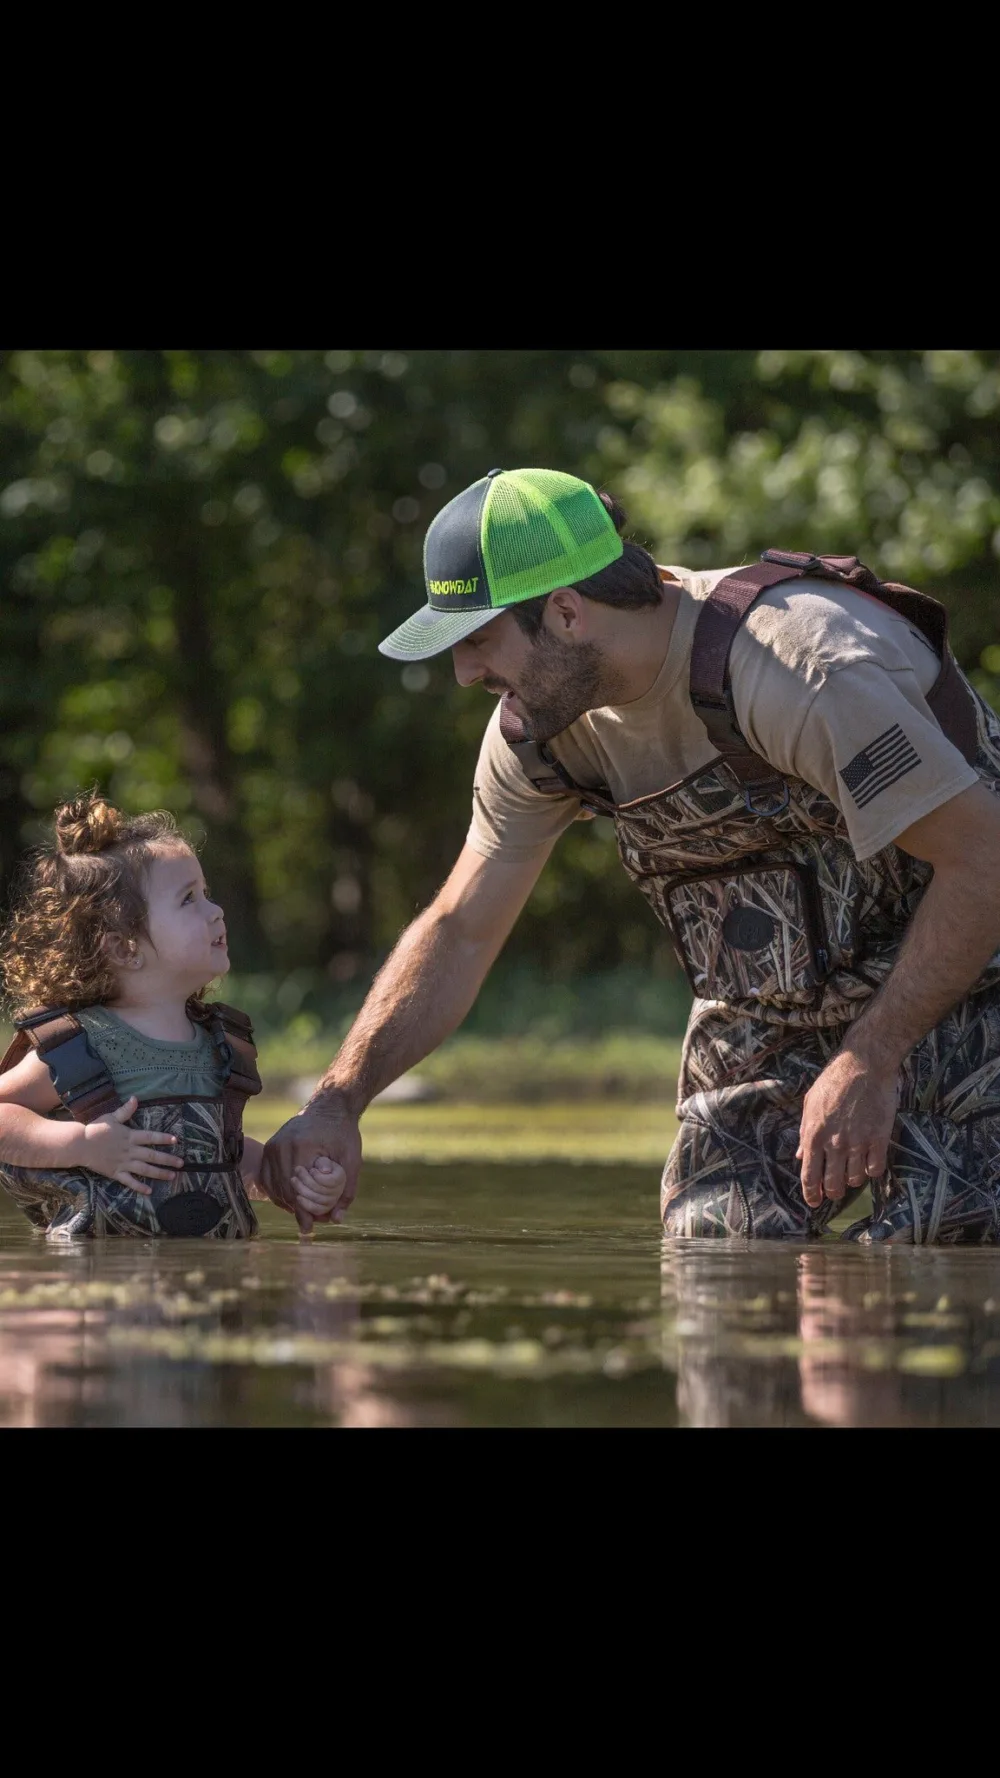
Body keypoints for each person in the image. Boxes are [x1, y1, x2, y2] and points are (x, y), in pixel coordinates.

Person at [261, 467, 1000, 1243]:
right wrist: (338, 1099)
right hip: (773, 1012)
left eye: (479, 641)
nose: (464, 674)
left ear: (567, 613)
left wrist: (871, 1057)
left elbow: (984, 862)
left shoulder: (802, 669)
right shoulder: (538, 731)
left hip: (969, 979)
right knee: (717, 1255)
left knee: (942, 1246)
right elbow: (461, 929)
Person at [0, 794, 342, 1238]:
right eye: (188, 900)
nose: (215, 910)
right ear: (125, 947)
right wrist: (82, 1144)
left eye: (207, 894)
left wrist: (294, 1183)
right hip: (96, 1290)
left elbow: (225, 1155)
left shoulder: (220, 1045)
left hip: (210, 1292)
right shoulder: (84, 1045)